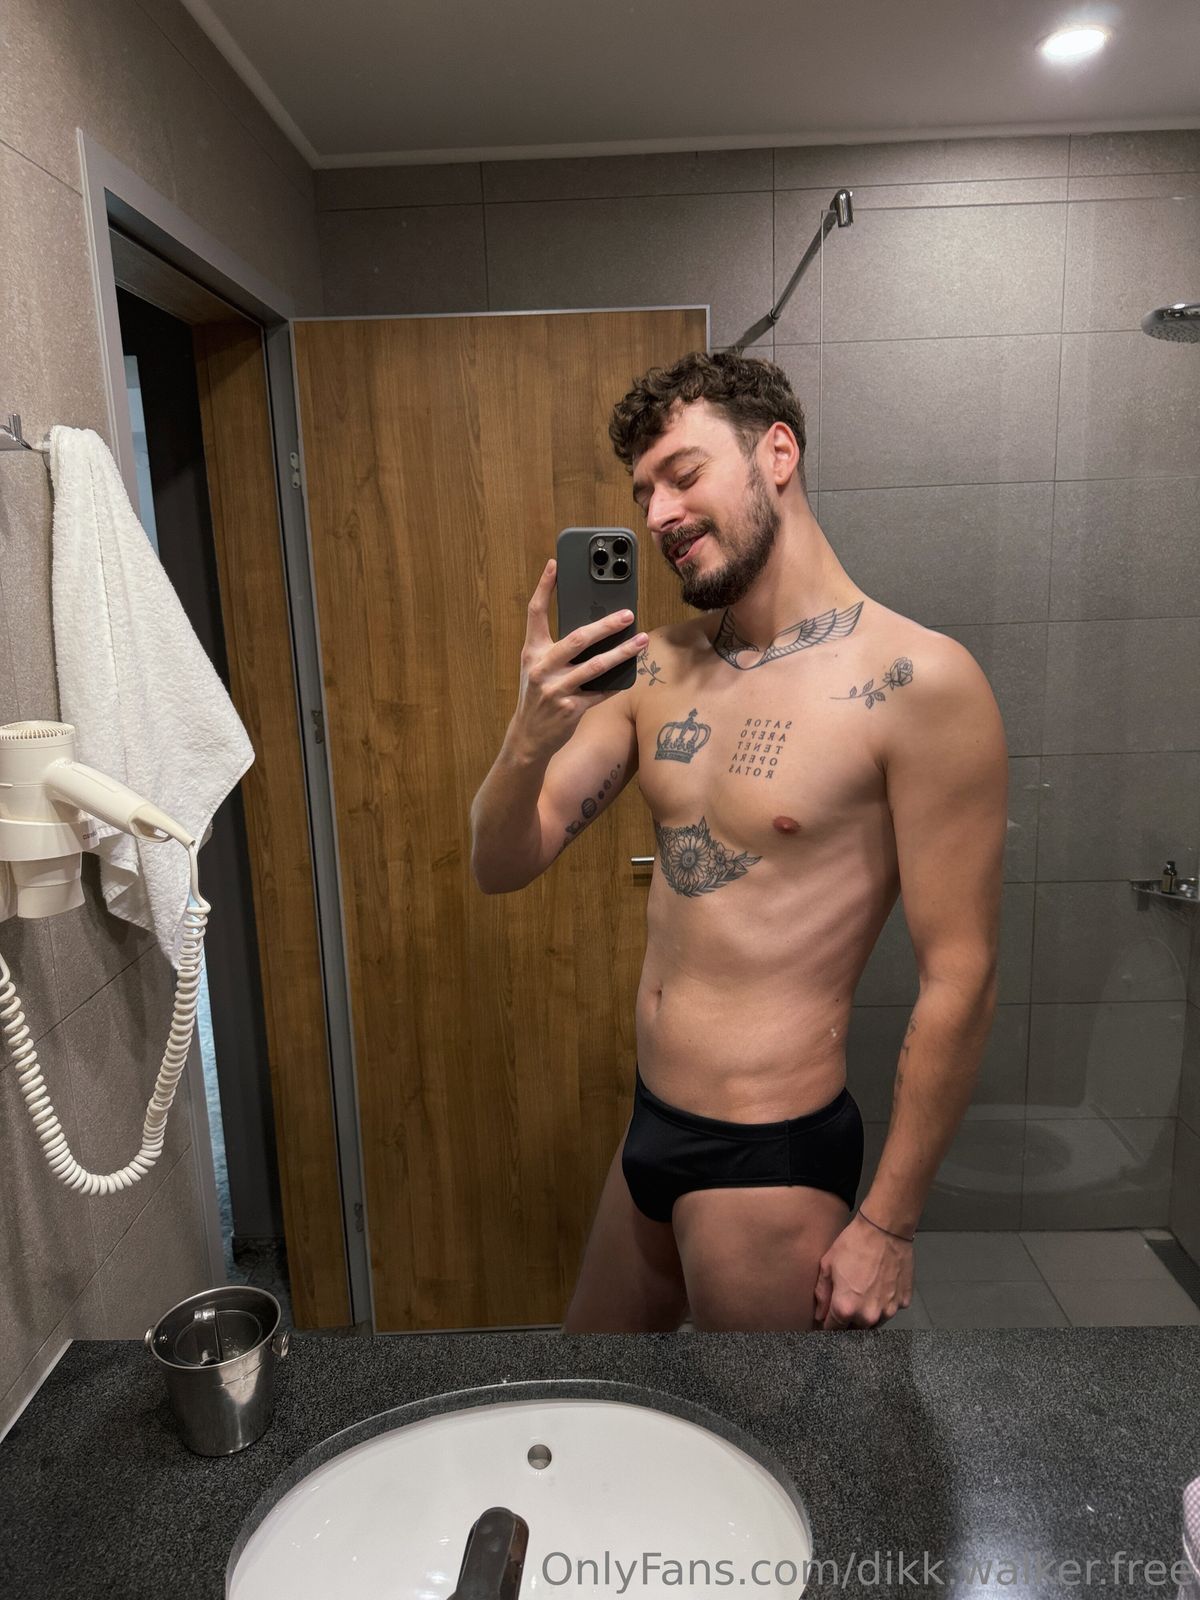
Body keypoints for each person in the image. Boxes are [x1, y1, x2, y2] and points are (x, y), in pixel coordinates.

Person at [469, 351, 1007, 1332]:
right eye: (644, 493)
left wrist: (889, 1222)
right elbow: (502, 863)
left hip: (770, 1155)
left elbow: (960, 976)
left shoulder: (917, 681)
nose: (659, 513)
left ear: (778, 454)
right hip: (650, 1127)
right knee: (590, 1392)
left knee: (755, 1428)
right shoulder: (653, 668)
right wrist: (526, 739)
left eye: (683, 474)